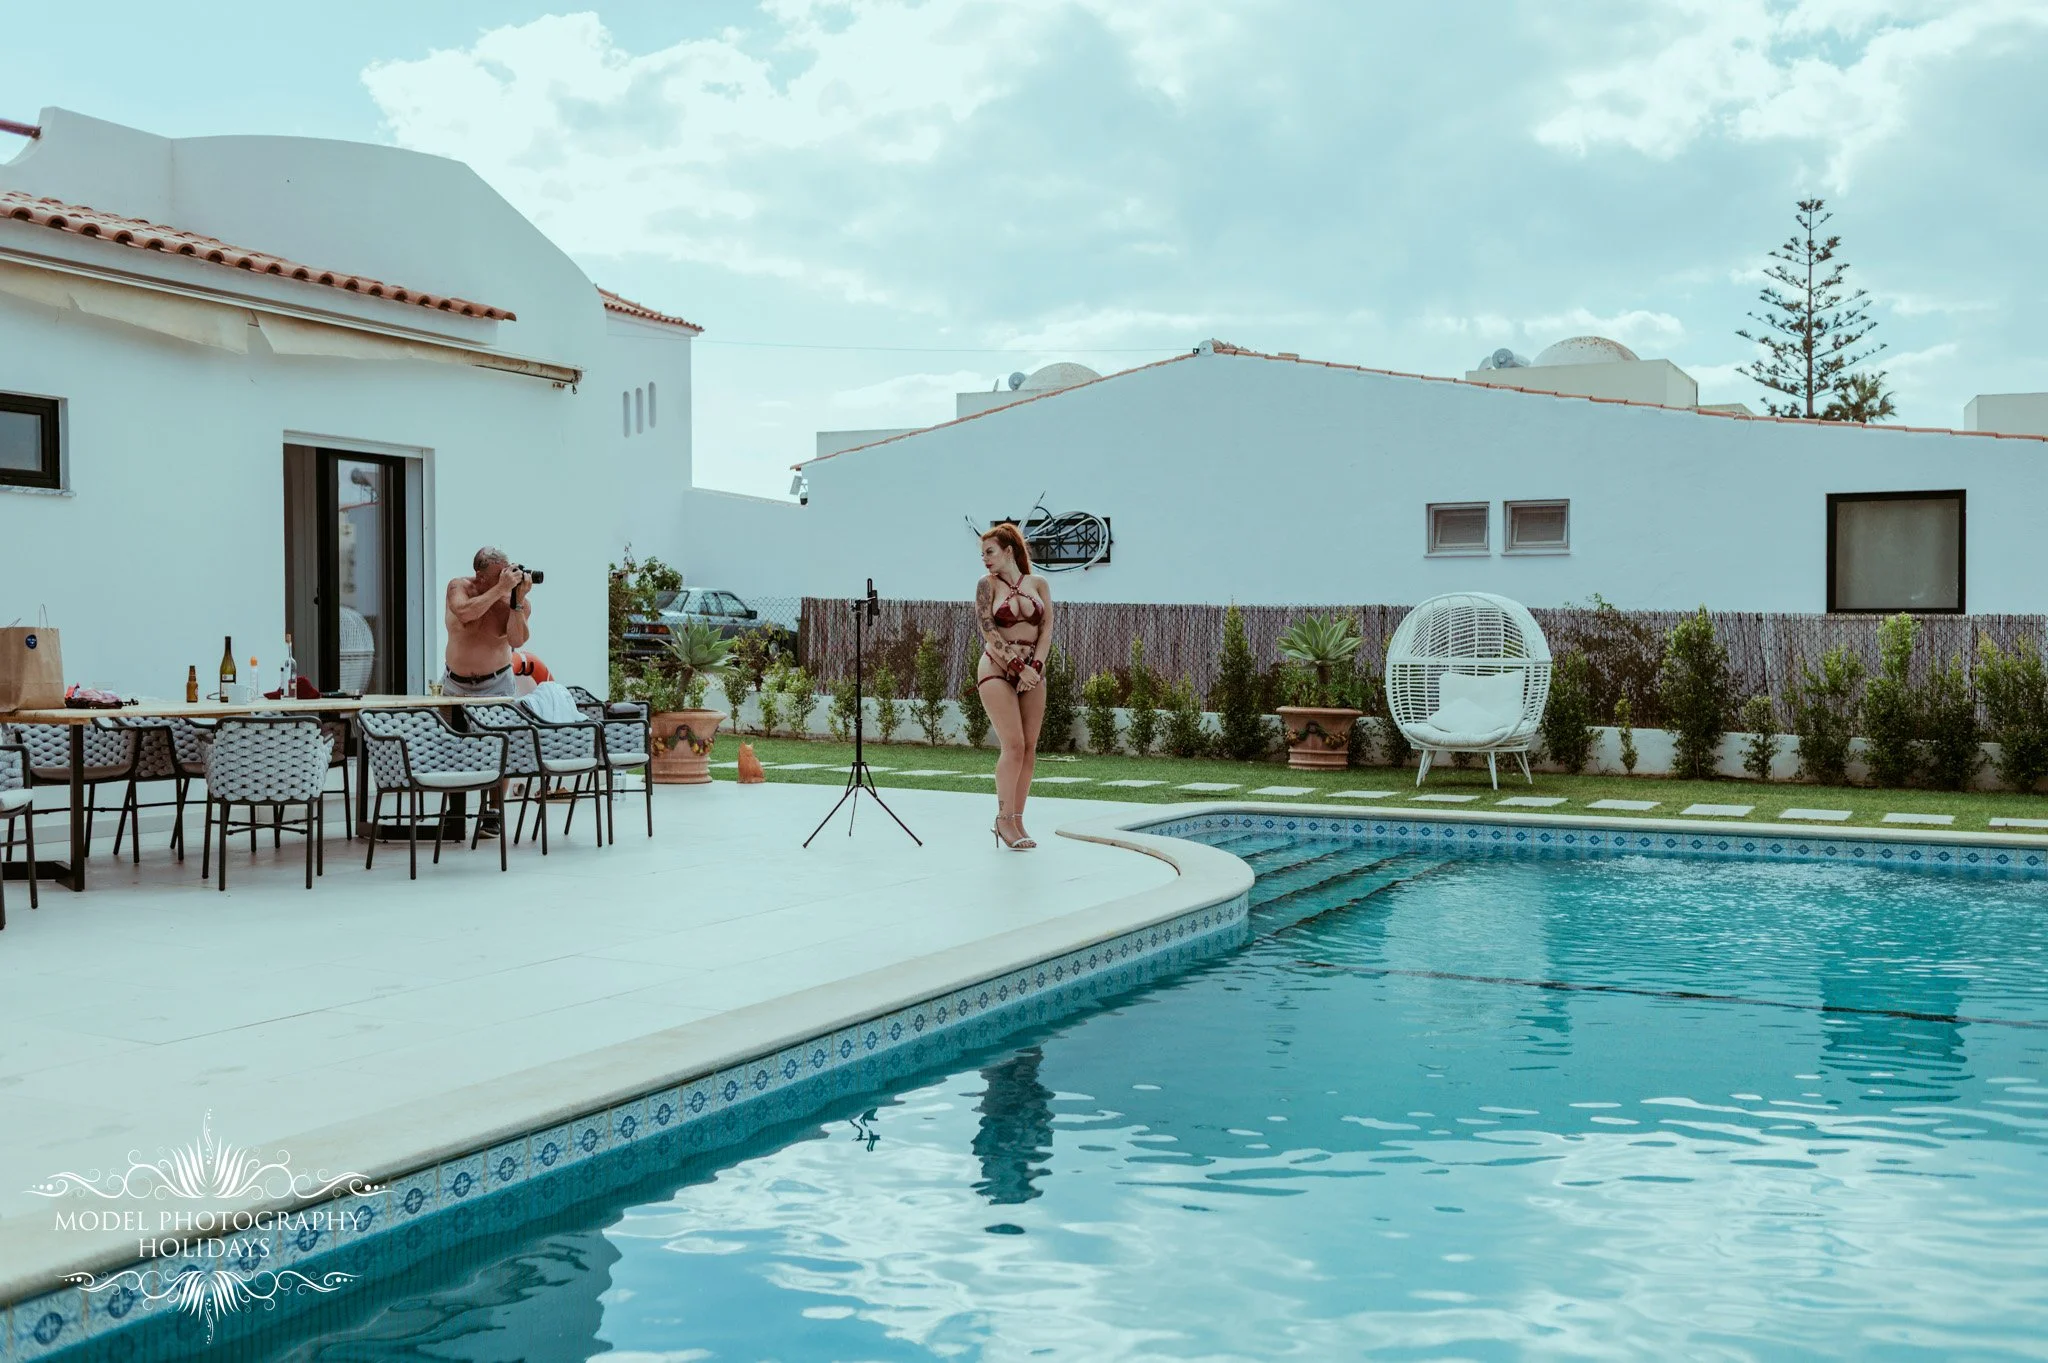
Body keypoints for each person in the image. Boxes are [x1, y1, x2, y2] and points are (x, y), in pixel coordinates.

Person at [974, 523, 1054, 850]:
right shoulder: (986, 586)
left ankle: (1018, 819)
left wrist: (1034, 668)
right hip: (997, 668)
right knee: (1014, 746)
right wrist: (1018, 668)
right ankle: (1002, 819)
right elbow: (988, 630)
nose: (985, 560)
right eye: (981, 555)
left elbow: (1046, 630)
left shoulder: (1039, 584)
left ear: (1008, 550)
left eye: (990, 552)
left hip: (1033, 672)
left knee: (1030, 747)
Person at [443, 548, 534, 697]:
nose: (505, 579)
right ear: (481, 576)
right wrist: (501, 588)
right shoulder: (459, 587)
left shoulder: (516, 602)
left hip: (497, 685)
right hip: (455, 685)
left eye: (506, 573)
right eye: (499, 575)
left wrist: (517, 601)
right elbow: (465, 614)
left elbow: (517, 641)